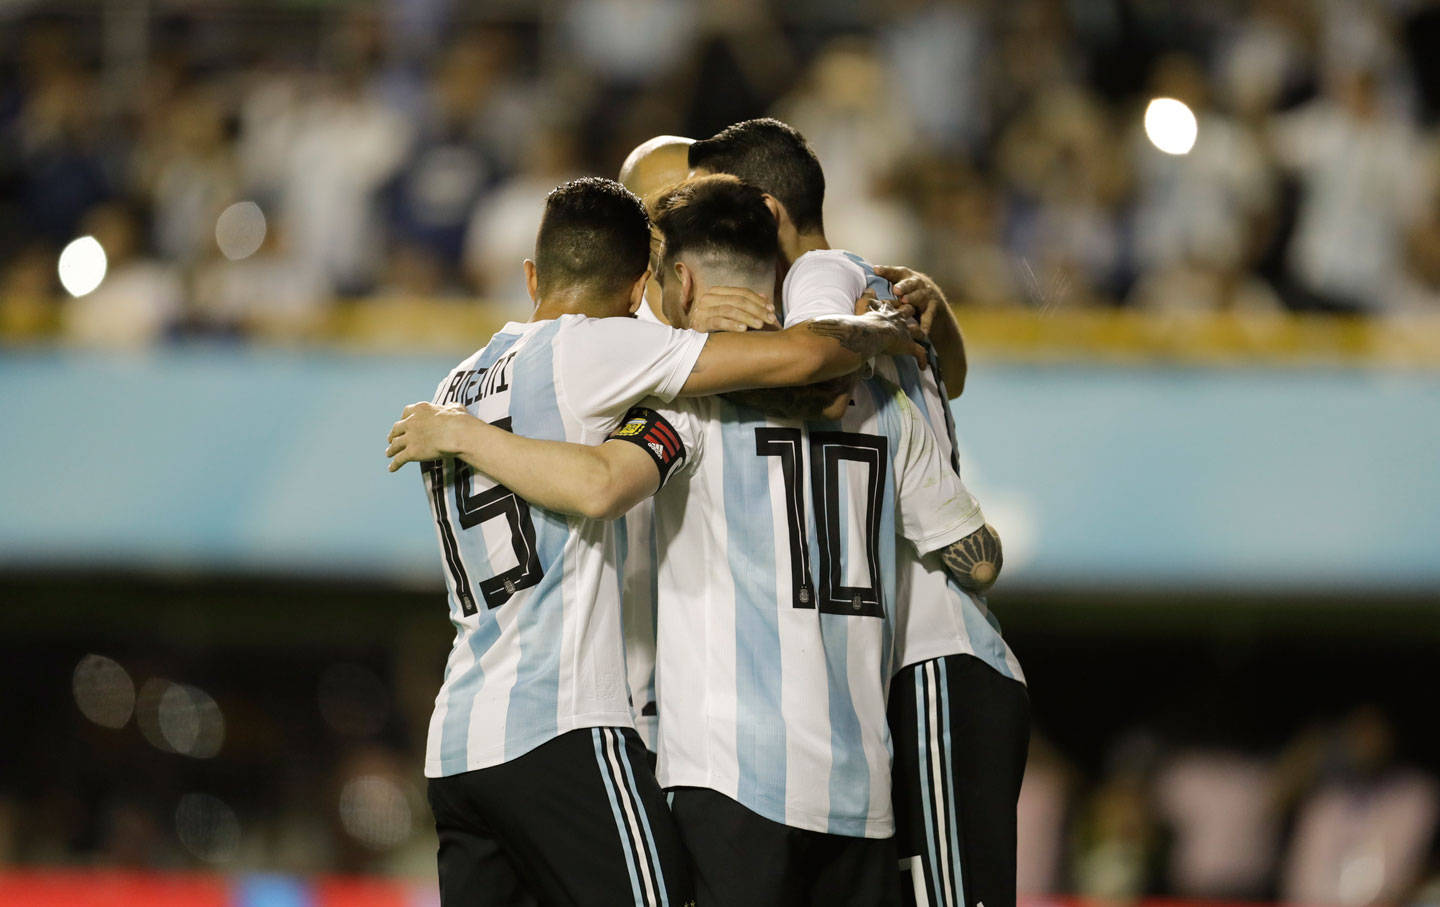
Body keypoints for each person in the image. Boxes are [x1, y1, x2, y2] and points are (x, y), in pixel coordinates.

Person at [389, 175, 1004, 907]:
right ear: (640, 284)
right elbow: (813, 368)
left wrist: (463, 433)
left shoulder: (461, 382)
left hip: (465, 733)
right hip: (574, 725)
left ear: (532, 275)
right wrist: (882, 332)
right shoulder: (608, 348)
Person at [689, 118, 1029, 907]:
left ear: (770, 214)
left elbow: (819, 367)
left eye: (725, 213)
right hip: (907, 670)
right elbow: (947, 376)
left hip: (939, 655)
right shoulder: (866, 285)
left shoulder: (821, 280)